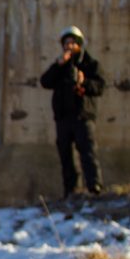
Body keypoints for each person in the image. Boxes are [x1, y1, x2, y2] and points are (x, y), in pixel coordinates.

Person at [39, 26, 105, 197]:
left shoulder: (90, 64)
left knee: (88, 151)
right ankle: (71, 189)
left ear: (79, 44)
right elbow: (45, 81)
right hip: (63, 117)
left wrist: (84, 83)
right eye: (66, 43)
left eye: (72, 43)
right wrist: (58, 65)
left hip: (83, 115)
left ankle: (94, 186)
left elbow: (99, 87)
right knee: (65, 155)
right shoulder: (60, 65)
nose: (69, 46)